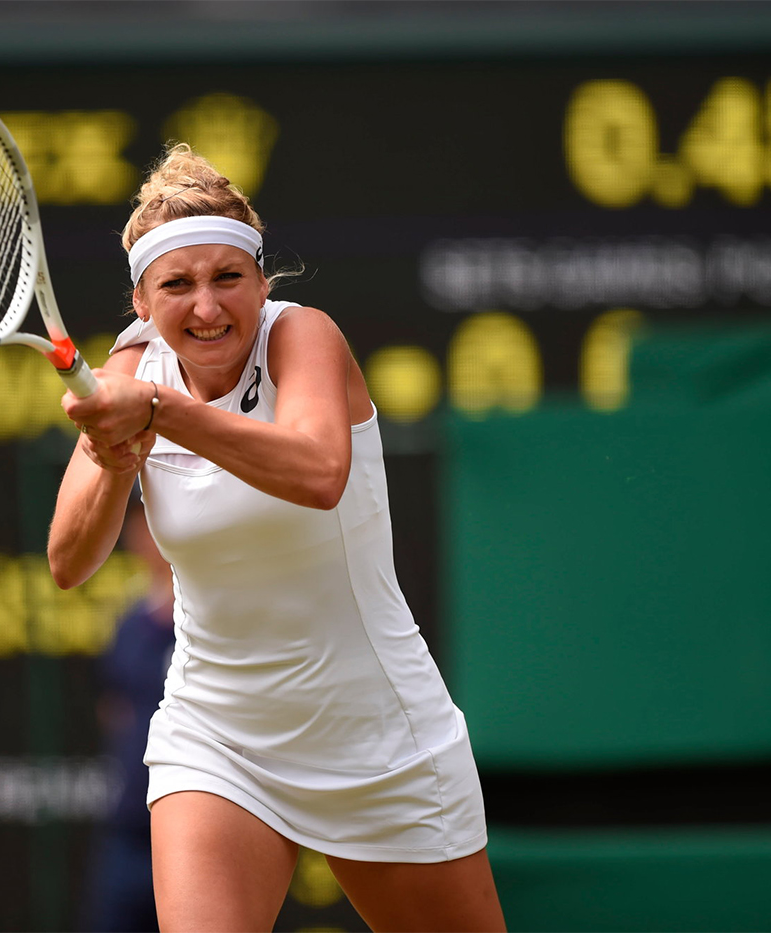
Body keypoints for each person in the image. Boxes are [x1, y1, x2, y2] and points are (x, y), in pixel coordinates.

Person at [47, 143, 505, 933]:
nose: (207, 307)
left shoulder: (305, 337)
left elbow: (320, 470)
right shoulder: (130, 367)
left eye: (229, 278)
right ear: (141, 302)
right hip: (217, 734)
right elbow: (68, 560)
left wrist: (161, 414)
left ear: (263, 281)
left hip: (378, 736)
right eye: (177, 286)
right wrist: (114, 458)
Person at [81, 496, 176, 932]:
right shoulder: (129, 622)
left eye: (158, 527)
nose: (149, 541)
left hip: (192, 829)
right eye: (141, 529)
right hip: (129, 831)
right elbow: (113, 707)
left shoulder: (216, 620)